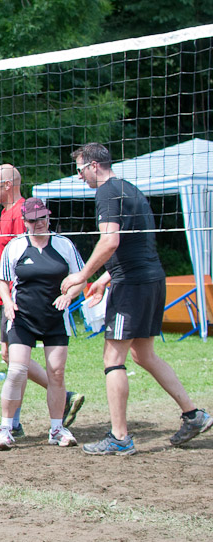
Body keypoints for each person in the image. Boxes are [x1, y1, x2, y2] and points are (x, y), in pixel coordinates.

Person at [62, 143, 213, 455]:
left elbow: (110, 241)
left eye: (79, 170)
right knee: (143, 355)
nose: (79, 176)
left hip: (132, 286)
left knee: (112, 359)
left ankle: (119, 438)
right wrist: (103, 280)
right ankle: (193, 415)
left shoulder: (106, 192)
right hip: (151, 279)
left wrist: (82, 276)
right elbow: (134, 246)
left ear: (93, 165)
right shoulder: (131, 189)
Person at [0, 164, 83, 441]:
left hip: (54, 317)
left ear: (48, 217)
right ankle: (7, 428)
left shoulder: (64, 245)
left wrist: (68, 295)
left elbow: (81, 278)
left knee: (56, 372)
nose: (38, 224)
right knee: (15, 369)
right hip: (22, 316)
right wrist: (5, 301)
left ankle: (57, 428)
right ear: (24, 221)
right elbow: (4, 280)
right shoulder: (16, 245)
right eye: (32, 220)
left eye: (42, 219)